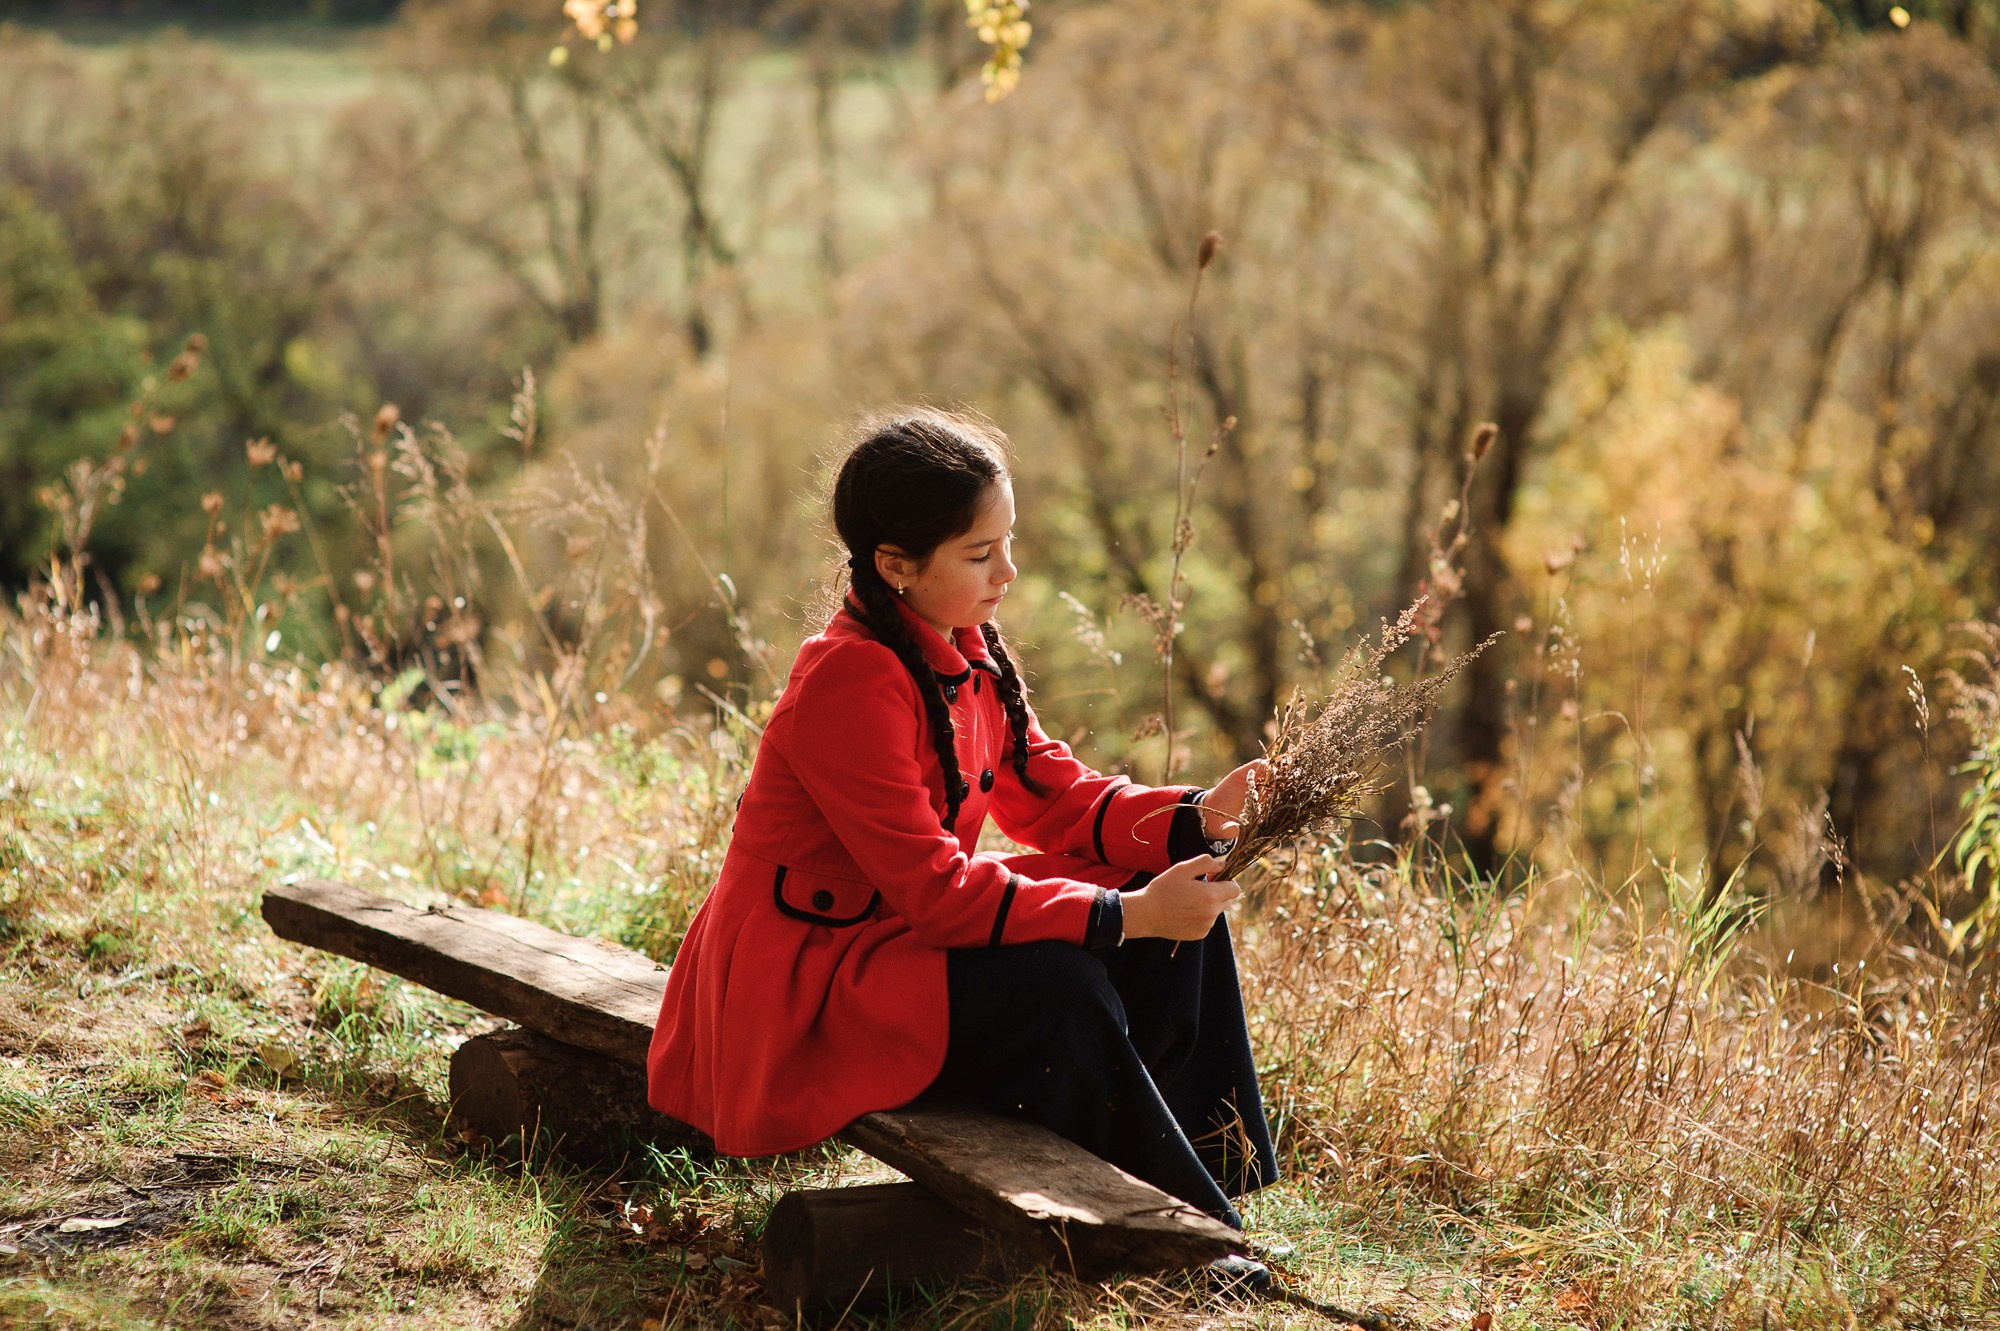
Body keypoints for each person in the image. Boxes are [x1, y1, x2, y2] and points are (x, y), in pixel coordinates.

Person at [646, 408, 1280, 1270]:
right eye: (981, 554)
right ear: (895, 565)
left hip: (890, 942)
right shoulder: (849, 681)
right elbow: (940, 893)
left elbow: (1050, 795)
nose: (1008, 572)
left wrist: (1194, 816)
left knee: (1178, 890)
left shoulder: (962, 645)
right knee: (1062, 982)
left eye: (1007, 542)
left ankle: (1202, 1184)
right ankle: (1175, 1249)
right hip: (808, 985)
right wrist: (1125, 916)